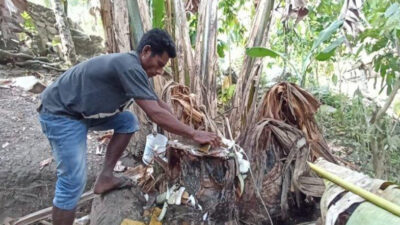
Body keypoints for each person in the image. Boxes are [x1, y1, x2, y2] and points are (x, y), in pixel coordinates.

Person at [38, 28, 221, 225]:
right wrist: (193, 134)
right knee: (73, 181)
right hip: (61, 114)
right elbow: (155, 114)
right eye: (159, 64)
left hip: (82, 112)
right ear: (146, 51)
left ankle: (105, 178)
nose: (160, 71)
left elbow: (160, 105)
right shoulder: (129, 67)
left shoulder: (139, 71)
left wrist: (185, 131)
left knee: (127, 121)